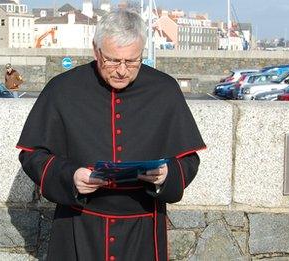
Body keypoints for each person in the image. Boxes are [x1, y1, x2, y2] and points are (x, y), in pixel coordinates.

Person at [17, 9, 205, 261]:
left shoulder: (165, 89)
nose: (122, 70)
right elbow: (32, 155)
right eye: (113, 60)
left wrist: (166, 175)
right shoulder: (63, 89)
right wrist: (70, 176)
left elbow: (188, 160)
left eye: (132, 61)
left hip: (143, 225)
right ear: (96, 51)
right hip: (78, 223)